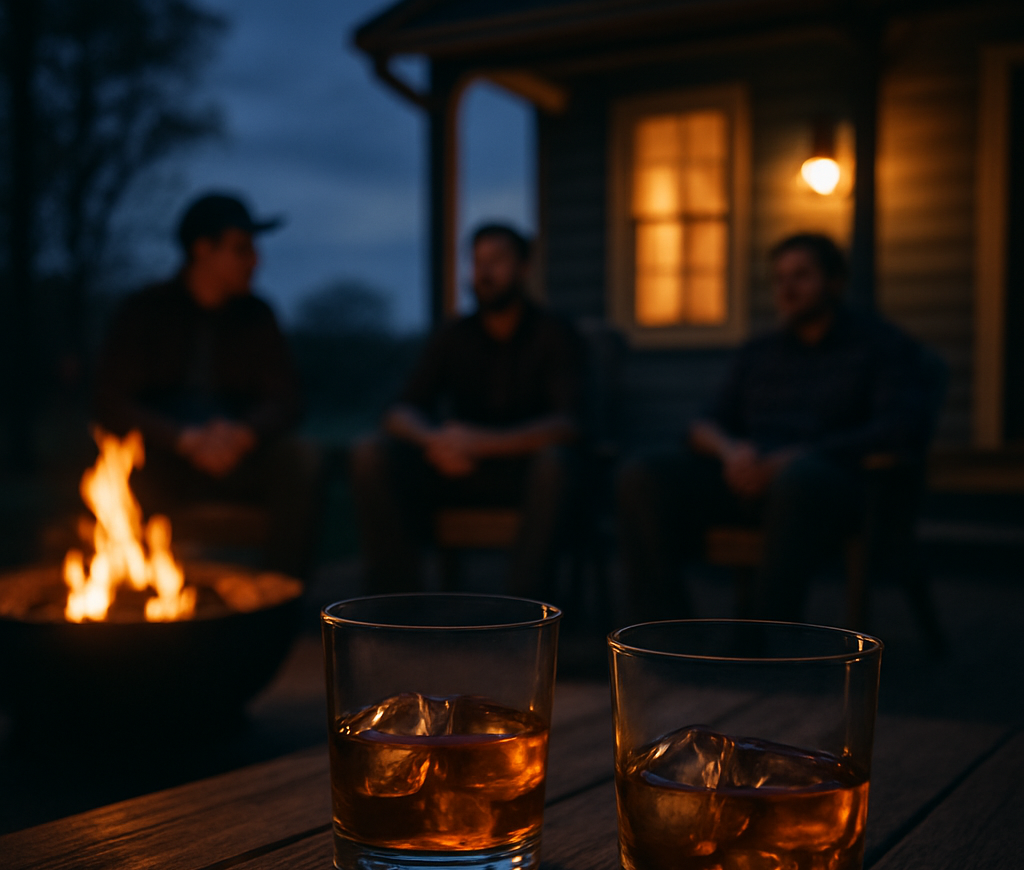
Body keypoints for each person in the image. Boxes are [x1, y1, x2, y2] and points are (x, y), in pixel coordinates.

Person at [617, 233, 932, 624]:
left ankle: (766, 639)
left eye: (801, 276)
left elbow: (898, 428)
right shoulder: (761, 352)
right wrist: (730, 452)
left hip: (834, 486)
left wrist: (795, 457)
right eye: (780, 278)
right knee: (642, 474)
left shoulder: (879, 346)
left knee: (799, 480)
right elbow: (705, 422)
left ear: (835, 282)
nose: (787, 288)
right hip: (748, 477)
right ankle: (664, 632)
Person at [351, 223, 584, 598]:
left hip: (522, 474)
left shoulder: (554, 333)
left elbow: (568, 423)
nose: (485, 273)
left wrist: (483, 443)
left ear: (524, 267)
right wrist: (436, 440)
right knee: (370, 453)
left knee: (556, 464)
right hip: (457, 470)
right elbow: (401, 409)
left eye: (497, 261)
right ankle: (396, 608)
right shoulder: (454, 334)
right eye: (477, 263)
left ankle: (524, 618)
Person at [94, 192, 319, 577]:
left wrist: (242, 433)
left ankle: (280, 598)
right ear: (203, 249)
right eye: (241, 249)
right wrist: (185, 439)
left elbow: (285, 398)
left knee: (301, 459)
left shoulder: (257, 315)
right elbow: (111, 401)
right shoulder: (145, 310)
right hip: (164, 461)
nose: (255, 260)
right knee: (110, 464)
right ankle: (132, 601)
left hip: (239, 459)